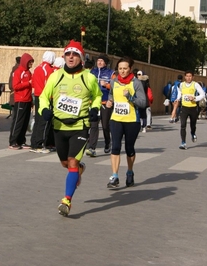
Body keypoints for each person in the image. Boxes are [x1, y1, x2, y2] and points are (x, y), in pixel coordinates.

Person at [39, 40, 102, 216]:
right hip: (59, 126)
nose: (71, 57)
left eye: (75, 54)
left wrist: (95, 108)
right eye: (68, 54)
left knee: (72, 161)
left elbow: (97, 96)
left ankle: (66, 200)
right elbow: (44, 96)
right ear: (64, 56)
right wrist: (44, 109)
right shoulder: (56, 76)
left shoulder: (88, 77)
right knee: (65, 163)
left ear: (80, 58)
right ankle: (79, 170)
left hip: (80, 126)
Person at [105, 56, 147, 189]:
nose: (122, 71)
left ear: (130, 69)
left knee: (129, 148)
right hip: (116, 119)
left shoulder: (136, 83)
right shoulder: (114, 82)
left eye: (125, 68)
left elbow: (143, 102)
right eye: (120, 68)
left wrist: (130, 96)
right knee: (115, 147)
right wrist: (109, 101)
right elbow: (111, 94)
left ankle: (129, 172)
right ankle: (114, 176)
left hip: (131, 121)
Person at [86, 54, 114, 157]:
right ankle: (92, 148)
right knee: (93, 125)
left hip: (105, 102)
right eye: (98, 61)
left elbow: (116, 87)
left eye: (102, 61)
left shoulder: (111, 73)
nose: (99, 62)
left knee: (105, 126)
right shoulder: (92, 72)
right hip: (93, 103)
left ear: (105, 63)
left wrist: (106, 85)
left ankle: (107, 143)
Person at [30, 51, 55, 153]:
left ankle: (34, 143)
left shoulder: (37, 68)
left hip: (37, 95)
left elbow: (33, 83)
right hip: (45, 97)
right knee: (44, 121)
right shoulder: (48, 70)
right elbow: (50, 85)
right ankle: (40, 144)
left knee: (38, 120)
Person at [8, 53, 34, 150]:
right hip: (20, 100)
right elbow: (16, 86)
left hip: (27, 99)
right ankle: (13, 141)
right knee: (18, 121)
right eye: (30, 62)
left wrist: (31, 100)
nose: (31, 63)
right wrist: (28, 83)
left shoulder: (29, 72)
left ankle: (21, 141)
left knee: (25, 122)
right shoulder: (18, 72)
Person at [176, 70, 205, 150]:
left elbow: (202, 94)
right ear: (185, 77)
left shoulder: (195, 84)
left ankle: (193, 133)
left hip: (193, 107)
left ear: (193, 77)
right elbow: (179, 93)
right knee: (183, 125)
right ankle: (183, 143)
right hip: (184, 107)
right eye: (187, 76)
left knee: (193, 124)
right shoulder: (181, 85)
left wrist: (195, 98)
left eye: (190, 76)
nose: (188, 78)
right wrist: (177, 99)